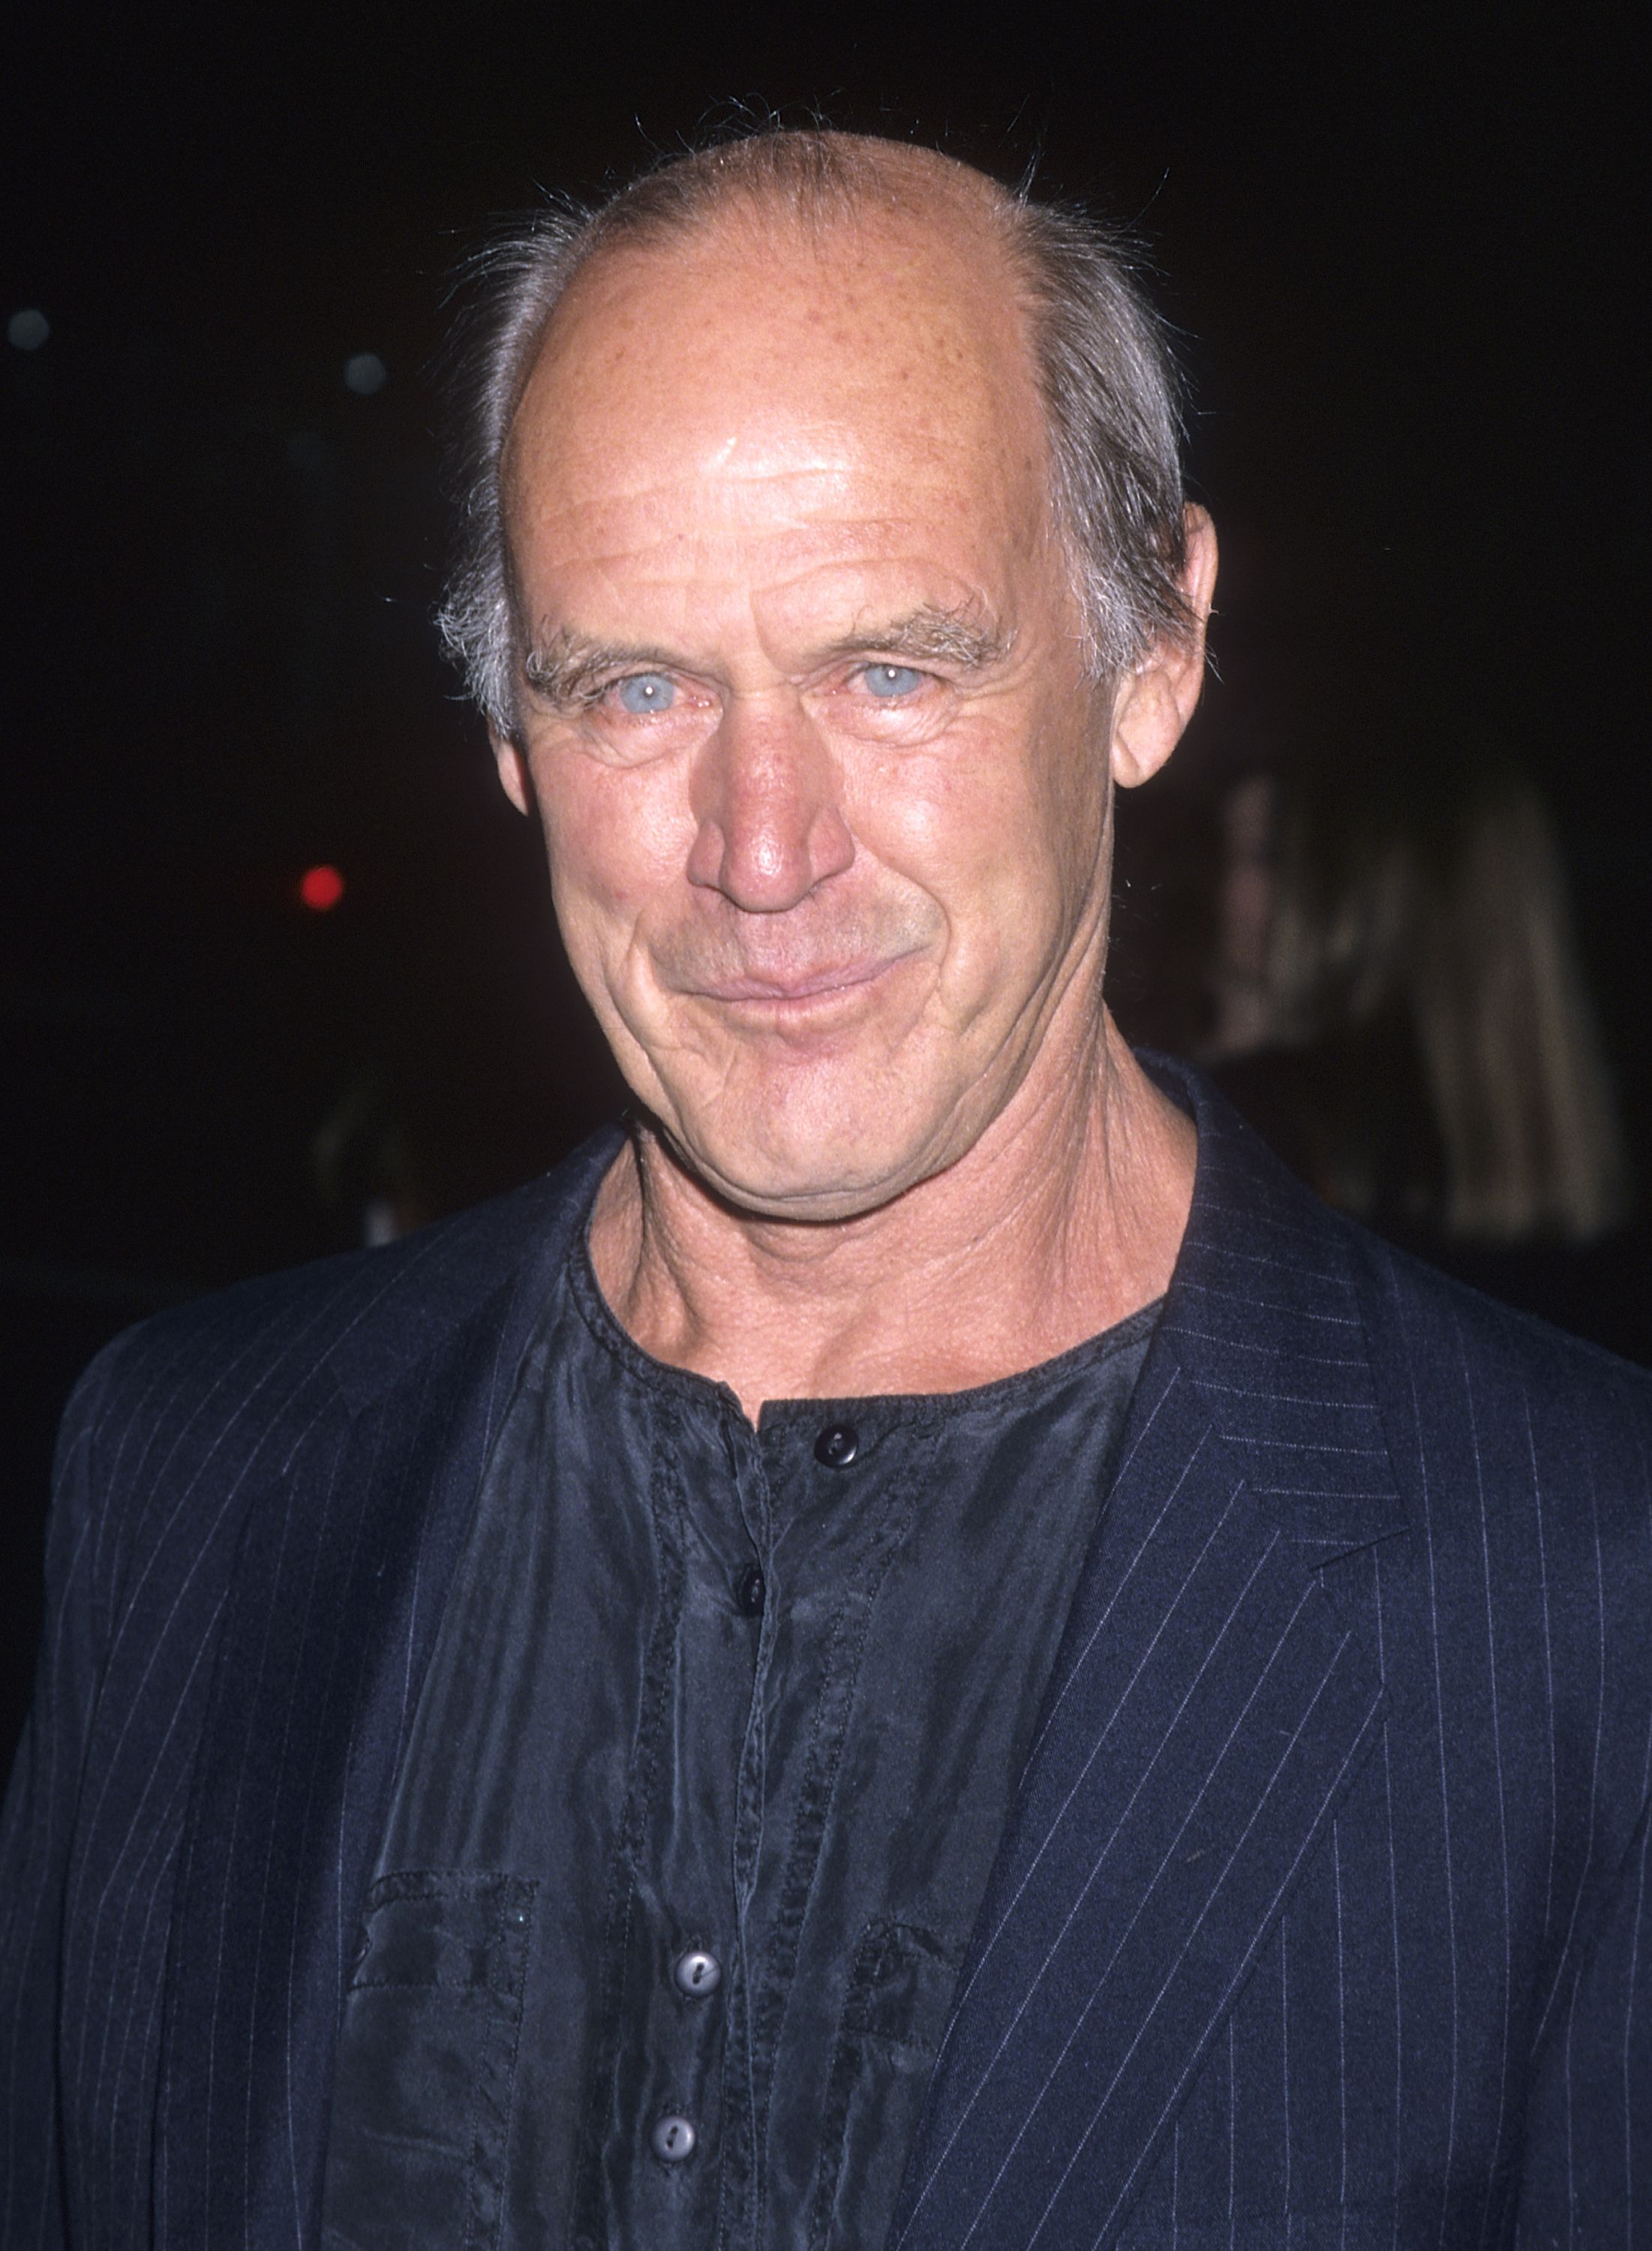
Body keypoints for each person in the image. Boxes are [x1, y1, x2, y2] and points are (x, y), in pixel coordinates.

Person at [3, 129, 1649, 2251]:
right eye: (636, 688)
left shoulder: (1578, 1602)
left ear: (1153, 653)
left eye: (892, 668)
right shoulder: (189, 1478)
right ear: (509, 738)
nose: (761, 849)